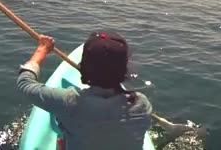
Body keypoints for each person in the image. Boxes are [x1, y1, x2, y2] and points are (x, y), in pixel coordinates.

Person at [17, 32, 153, 150]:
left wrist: (42, 50)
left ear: (85, 66)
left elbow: (25, 84)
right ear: (124, 68)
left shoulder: (69, 102)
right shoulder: (141, 104)